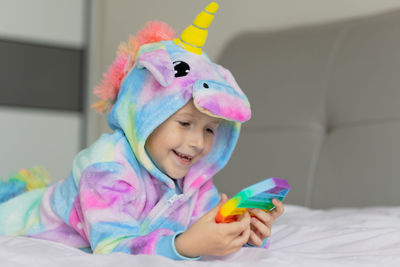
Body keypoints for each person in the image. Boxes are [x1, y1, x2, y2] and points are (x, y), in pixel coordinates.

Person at [0, 2, 284, 260]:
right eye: (184, 123)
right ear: (146, 115)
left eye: (210, 130)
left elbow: (204, 232)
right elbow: (113, 247)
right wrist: (183, 246)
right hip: (18, 223)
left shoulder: (193, 181)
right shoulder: (107, 169)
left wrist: (245, 233)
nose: (197, 142)